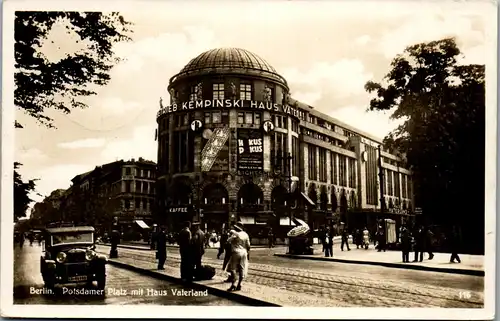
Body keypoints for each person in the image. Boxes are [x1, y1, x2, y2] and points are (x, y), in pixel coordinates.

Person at [227, 222, 251, 291]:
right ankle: (239, 284)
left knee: (233, 269)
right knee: (242, 269)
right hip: (244, 252)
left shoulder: (235, 234)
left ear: (236, 228)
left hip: (236, 252)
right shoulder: (246, 234)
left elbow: (228, 241)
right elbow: (248, 246)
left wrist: (230, 236)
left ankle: (233, 284)